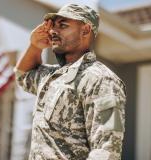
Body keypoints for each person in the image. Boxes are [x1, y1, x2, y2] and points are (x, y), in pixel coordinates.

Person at [14, 3, 126, 160]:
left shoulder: (101, 80)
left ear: (85, 30)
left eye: (63, 25)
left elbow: (107, 150)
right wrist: (35, 46)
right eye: (52, 26)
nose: (53, 31)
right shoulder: (52, 76)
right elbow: (23, 76)